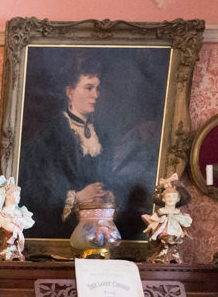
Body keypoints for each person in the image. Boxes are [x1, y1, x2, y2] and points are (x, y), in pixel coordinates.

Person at [19, 55, 154, 240]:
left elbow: (111, 177)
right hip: (59, 230)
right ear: (70, 92)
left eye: (98, 88)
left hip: (98, 231)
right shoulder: (49, 135)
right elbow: (36, 189)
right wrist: (77, 197)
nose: (96, 94)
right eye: (89, 87)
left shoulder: (103, 135)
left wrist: (110, 195)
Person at [0, 176, 34, 260]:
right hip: (5, 249)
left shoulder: (22, 213)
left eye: (19, 195)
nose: (19, 197)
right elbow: (6, 225)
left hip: (16, 250)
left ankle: (13, 249)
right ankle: (8, 248)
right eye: (16, 194)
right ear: (7, 195)